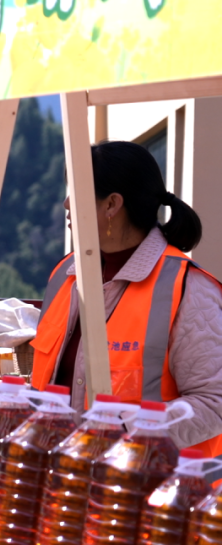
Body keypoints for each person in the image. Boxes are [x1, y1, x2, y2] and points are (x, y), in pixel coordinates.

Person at [31, 140, 222, 453]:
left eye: (76, 193)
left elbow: (215, 403)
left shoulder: (189, 289)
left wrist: (120, 435)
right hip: (61, 475)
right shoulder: (64, 275)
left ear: (111, 205)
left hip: (147, 481)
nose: (66, 204)